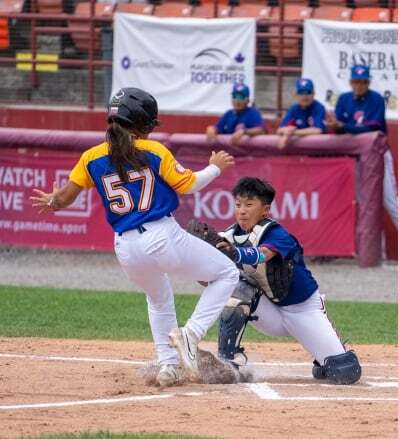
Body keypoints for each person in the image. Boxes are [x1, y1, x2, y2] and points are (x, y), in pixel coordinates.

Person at [30, 88, 240, 387]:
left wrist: (52, 201)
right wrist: (215, 168)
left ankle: (168, 366)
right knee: (227, 273)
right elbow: (188, 184)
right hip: (161, 235)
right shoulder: (153, 150)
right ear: (141, 121)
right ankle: (191, 335)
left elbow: (62, 199)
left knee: (158, 300)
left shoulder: (91, 156)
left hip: (125, 247)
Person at [214, 177, 361, 384]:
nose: (242, 211)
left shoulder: (277, 233)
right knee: (235, 289)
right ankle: (228, 363)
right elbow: (210, 280)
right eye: (238, 205)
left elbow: (263, 254)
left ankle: (328, 351)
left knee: (345, 372)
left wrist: (235, 254)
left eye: (249, 205)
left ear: (265, 210)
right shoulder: (228, 237)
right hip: (268, 310)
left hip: (302, 309)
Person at [325, 64, 398, 265]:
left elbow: (373, 127)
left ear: (368, 82)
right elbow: (340, 130)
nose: (359, 85)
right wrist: (337, 127)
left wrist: (346, 126)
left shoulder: (376, 99)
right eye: (356, 81)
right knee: (366, 206)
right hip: (357, 159)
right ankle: (377, 252)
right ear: (351, 82)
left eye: (363, 82)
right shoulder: (344, 99)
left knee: (391, 202)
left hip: (378, 156)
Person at [276, 78, 327, 150]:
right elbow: (280, 130)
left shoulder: (319, 108)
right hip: (299, 150)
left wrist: (291, 133)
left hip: (319, 150)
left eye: (308, 92)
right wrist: (287, 131)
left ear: (313, 94)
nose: (304, 96)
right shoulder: (294, 108)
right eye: (301, 93)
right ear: (295, 95)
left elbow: (318, 130)